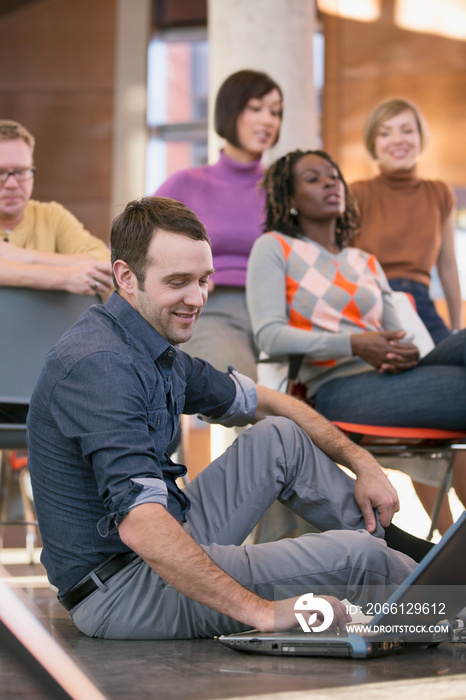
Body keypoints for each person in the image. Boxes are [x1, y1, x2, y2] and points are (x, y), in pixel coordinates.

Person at [26, 196, 423, 641]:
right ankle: (447, 604)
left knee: (281, 438)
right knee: (361, 561)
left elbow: (270, 402)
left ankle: (420, 559)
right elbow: (140, 523)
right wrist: (262, 613)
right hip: (122, 589)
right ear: (125, 276)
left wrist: (363, 463)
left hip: (167, 537)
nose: (197, 299)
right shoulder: (98, 365)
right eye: (178, 282)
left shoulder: (151, 344)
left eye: (204, 280)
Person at [246, 149, 466, 534]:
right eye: (314, 178)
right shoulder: (274, 247)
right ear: (291, 199)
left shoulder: (365, 260)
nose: (331, 182)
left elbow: (401, 335)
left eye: (333, 176)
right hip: (337, 389)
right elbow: (269, 334)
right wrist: (355, 344)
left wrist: (401, 350)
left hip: (394, 378)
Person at [154, 70, 283, 380]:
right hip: (215, 306)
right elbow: (131, 246)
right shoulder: (187, 184)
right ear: (230, 110)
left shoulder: (282, 190)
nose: (268, 120)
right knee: (244, 396)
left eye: (276, 111)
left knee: (298, 408)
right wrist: (182, 280)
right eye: (256, 108)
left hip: (279, 310)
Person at [350, 98, 462, 345]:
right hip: (372, 306)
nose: (398, 139)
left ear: (420, 137)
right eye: (385, 133)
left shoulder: (439, 193)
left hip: (422, 306)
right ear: (373, 143)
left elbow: (447, 266)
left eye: (407, 130)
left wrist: (456, 329)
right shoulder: (355, 193)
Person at [0, 119, 113, 298]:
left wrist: (26, 257)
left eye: (21, 171)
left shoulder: (51, 216)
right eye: (1, 172)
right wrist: (63, 277)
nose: (12, 184)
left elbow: (103, 260)